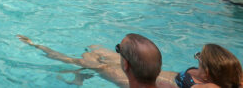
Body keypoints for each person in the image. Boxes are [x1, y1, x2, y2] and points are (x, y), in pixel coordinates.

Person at [18, 32, 163, 88]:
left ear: (125, 64)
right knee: (94, 49)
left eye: (118, 49)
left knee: (88, 57)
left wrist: (34, 44)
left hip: (101, 68)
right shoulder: (165, 84)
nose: (116, 51)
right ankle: (80, 75)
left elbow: (59, 57)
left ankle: (79, 76)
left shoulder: (106, 70)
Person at [175, 43, 243, 88]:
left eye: (199, 57)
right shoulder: (234, 78)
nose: (197, 58)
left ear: (206, 73)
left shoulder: (207, 86)